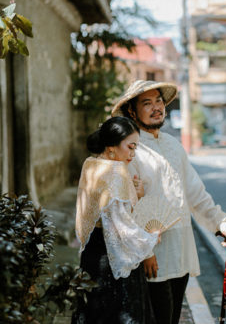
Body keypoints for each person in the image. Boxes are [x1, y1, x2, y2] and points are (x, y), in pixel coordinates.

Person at [111, 80, 226, 324]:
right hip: (151, 256)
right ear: (131, 111)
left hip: (181, 249)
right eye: (147, 103)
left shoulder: (174, 145)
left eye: (158, 101)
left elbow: (195, 192)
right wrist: (146, 251)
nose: (156, 107)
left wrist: (220, 223)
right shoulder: (130, 149)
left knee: (172, 317)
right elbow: (127, 207)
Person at [72, 116, 159, 324]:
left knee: (92, 314)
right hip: (112, 259)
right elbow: (122, 227)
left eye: (135, 148)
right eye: (130, 147)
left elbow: (101, 210)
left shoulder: (91, 164)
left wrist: (133, 195)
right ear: (111, 147)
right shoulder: (117, 172)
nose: (132, 154)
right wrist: (150, 240)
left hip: (91, 255)